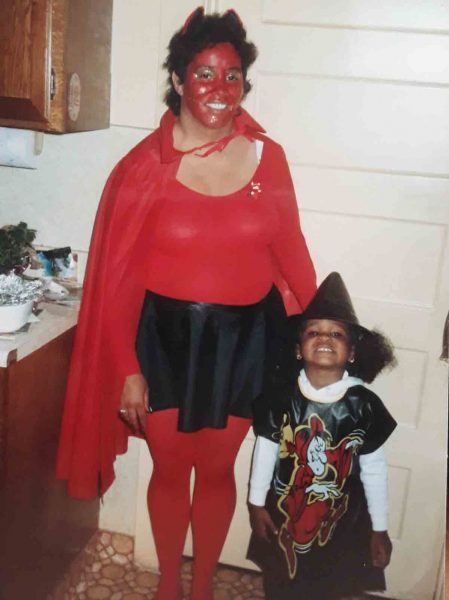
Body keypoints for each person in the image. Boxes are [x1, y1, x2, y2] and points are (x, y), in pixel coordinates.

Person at [56, 7, 316, 600]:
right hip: (161, 343)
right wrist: (126, 369)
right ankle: (167, 587)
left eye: (232, 77)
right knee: (172, 470)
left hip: (246, 343)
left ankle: (202, 589)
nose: (220, 90)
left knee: (220, 469)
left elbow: (292, 248)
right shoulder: (143, 169)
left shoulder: (266, 159)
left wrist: (326, 329)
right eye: (204, 74)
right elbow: (117, 280)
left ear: (244, 84)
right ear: (177, 80)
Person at [247, 272, 397, 600]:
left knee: (331, 585)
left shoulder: (364, 406)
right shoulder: (280, 396)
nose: (324, 337)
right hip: (284, 512)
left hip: (342, 519)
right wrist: (256, 502)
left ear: (353, 352)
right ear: (298, 349)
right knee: (280, 580)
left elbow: (374, 469)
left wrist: (379, 526)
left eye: (336, 333)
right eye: (313, 331)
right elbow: (266, 448)